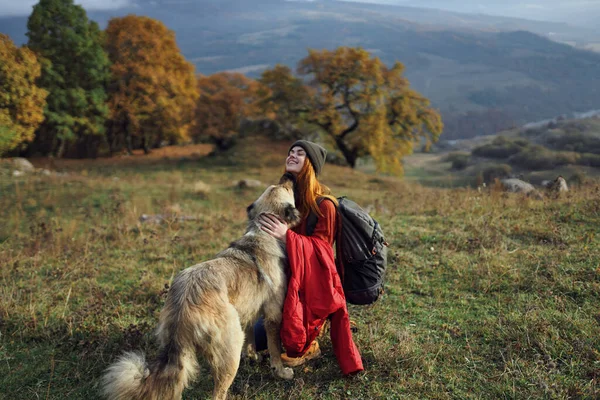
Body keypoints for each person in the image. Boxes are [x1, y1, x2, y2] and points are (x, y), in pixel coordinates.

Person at [255, 140, 364, 375]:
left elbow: (323, 252)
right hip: (284, 274)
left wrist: (287, 237)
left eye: (300, 153)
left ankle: (315, 331)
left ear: (311, 164)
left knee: (291, 341)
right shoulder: (284, 196)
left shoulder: (325, 205)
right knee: (258, 337)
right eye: (290, 152)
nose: (292, 156)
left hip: (313, 282)